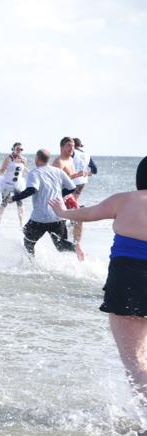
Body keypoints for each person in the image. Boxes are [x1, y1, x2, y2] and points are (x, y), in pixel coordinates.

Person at [49, 156, 147, 415]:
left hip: (129, 280)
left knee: (135, 360)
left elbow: (89, 213)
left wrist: (62, 212)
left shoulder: (124, 200)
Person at [9, 149, 78, 256]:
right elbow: (72, 187)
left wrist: (13, 198)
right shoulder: (58, 171)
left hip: (40, 217)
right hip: (58, 215)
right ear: (48, 159)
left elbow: (32, 190)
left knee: (28, 242)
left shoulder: (35, 172)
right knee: (60, 245)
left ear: (37, 158)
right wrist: (60, 195)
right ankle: (77, 249)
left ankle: (32, 265)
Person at [53, 136, 86, 259]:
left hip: (68, 196)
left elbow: (68, 176)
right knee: (60, 241)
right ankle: (72, 249)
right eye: (68, 146)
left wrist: (77, 174)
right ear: (61, 147)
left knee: (79, 217)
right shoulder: (59, 162)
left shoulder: (70, 160)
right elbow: (54, 181)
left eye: (72, 146)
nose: (72, 148)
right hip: (59, 197)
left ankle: (77, 245)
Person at [0, 142, 28, 227]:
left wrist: (33, 174)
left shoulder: (24, 159)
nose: (19, 151)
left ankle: (21, 224)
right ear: (13, 149)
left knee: (20, 203)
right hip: (7, 184)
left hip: (18, 184)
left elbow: (24, 170)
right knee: (4, 203)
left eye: (21, 149)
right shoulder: (8, 158)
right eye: (17, 149)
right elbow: (2, 170)